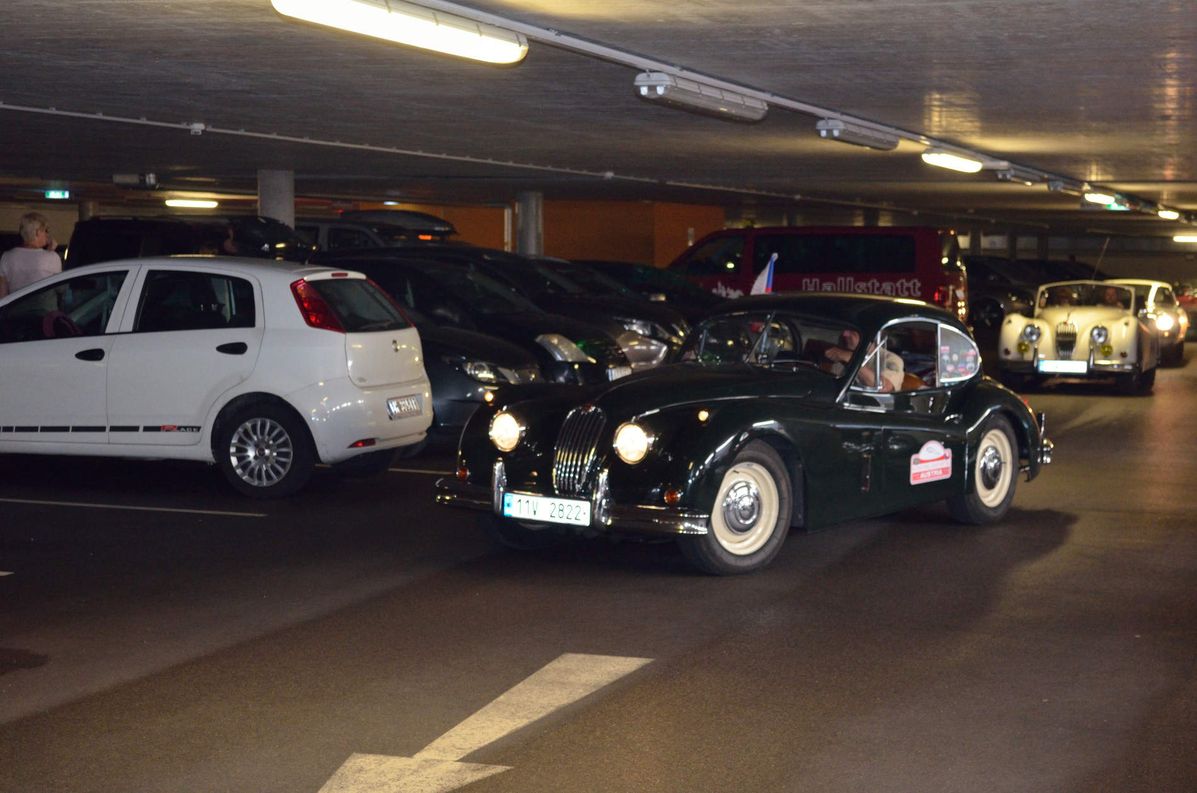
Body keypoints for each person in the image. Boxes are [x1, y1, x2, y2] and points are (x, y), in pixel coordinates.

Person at [0, 212, 62, 298]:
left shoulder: (7, 257)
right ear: (37, 232)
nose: (47, 235)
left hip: (17, 306)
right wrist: (50, 253)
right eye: (46, 231)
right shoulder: (52, 257)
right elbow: (60, 289)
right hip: (44, 306)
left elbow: (2, 294)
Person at [823, 328, 904, 392]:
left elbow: (883, 388)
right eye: (844, 330)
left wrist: (850, 358)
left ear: (870, 336)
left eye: (852, 331)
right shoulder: (842, 351)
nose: (844, 334)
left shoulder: (891, 359)